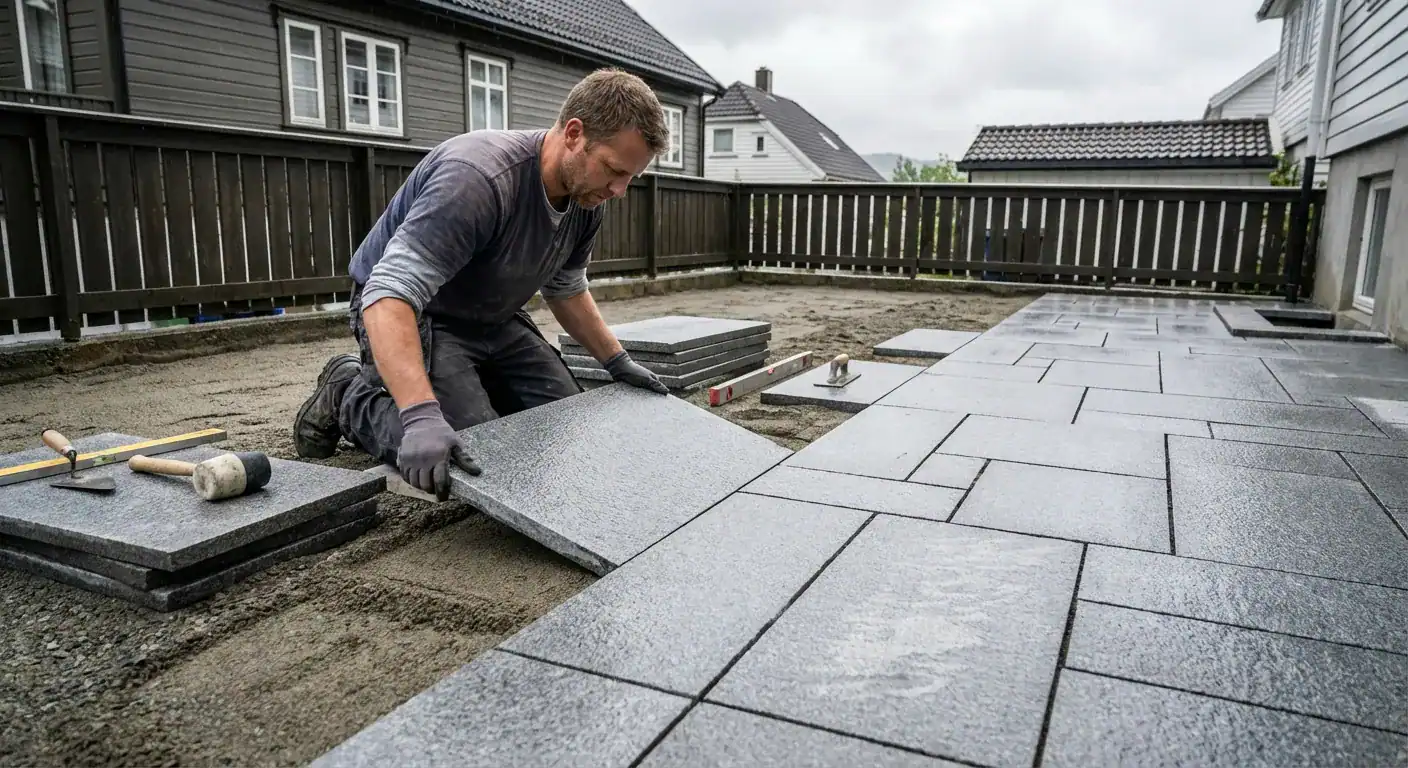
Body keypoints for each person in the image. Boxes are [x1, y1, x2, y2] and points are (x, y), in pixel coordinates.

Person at [292, 68, 671, 500]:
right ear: (573, 134)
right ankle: (349, 394)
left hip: (493, 315)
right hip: (417, 313)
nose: (620, 190)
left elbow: (566, 287)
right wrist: (419, 415)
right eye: (614, 170)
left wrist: (616, 361)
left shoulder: (586, 198)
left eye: (630, 177)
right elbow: (389, 293)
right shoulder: (477, 179)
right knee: (471, 451)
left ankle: (461, 389)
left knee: (566, 428)